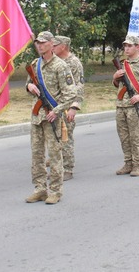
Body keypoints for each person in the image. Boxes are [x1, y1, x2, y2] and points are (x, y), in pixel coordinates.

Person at [25, 31, 77, 205]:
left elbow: (71, 93)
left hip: (52, 117)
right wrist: (30, 86)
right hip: (36, 117)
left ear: (51, 44)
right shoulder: (35, 64)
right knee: (37, 156)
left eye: (43, 42)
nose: (39, 45)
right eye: (37, 43)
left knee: (54, 156)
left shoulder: (61, 66)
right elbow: (27, 83)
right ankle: (40, 189)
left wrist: (57, 110)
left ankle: (55, 190)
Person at [112, 35, 139, 177]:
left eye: (129, 46)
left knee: (136, 136)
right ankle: (128, 162)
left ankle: (138, 165)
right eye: (125, 46)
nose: (126, 48)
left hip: (135, 105)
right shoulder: (122, 64)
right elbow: (117, 85)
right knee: (124, 136)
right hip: (121, 105)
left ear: (137, 47)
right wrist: (115, 77)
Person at [52, 35, 85, 181]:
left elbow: (79, 86)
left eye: (55, 45)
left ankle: (68, 169)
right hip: (55, 106)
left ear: (63, 46)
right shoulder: (55, 61)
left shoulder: (74, 63)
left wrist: (74, 107)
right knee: (55, 138)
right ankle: (57, 167)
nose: (52, 47)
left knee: (66, 138)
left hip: (67, 106)